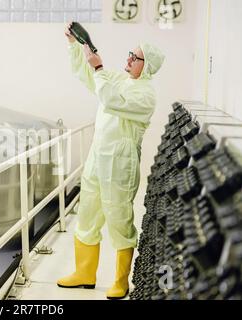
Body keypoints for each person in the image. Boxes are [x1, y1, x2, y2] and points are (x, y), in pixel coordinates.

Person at [57, 23, 165, 300]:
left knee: (119, 220)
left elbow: (111, 99)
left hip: (120, 164)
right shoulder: (118, 79)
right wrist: (76, 47)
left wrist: (99, 68)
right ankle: (84, 273)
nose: (129, 58)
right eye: (130, 53)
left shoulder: (146, 94)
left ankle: (120, 281)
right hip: (97, 158)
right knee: (87, 215)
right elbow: (89, 77)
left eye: (135, 57)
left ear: (147, 65)